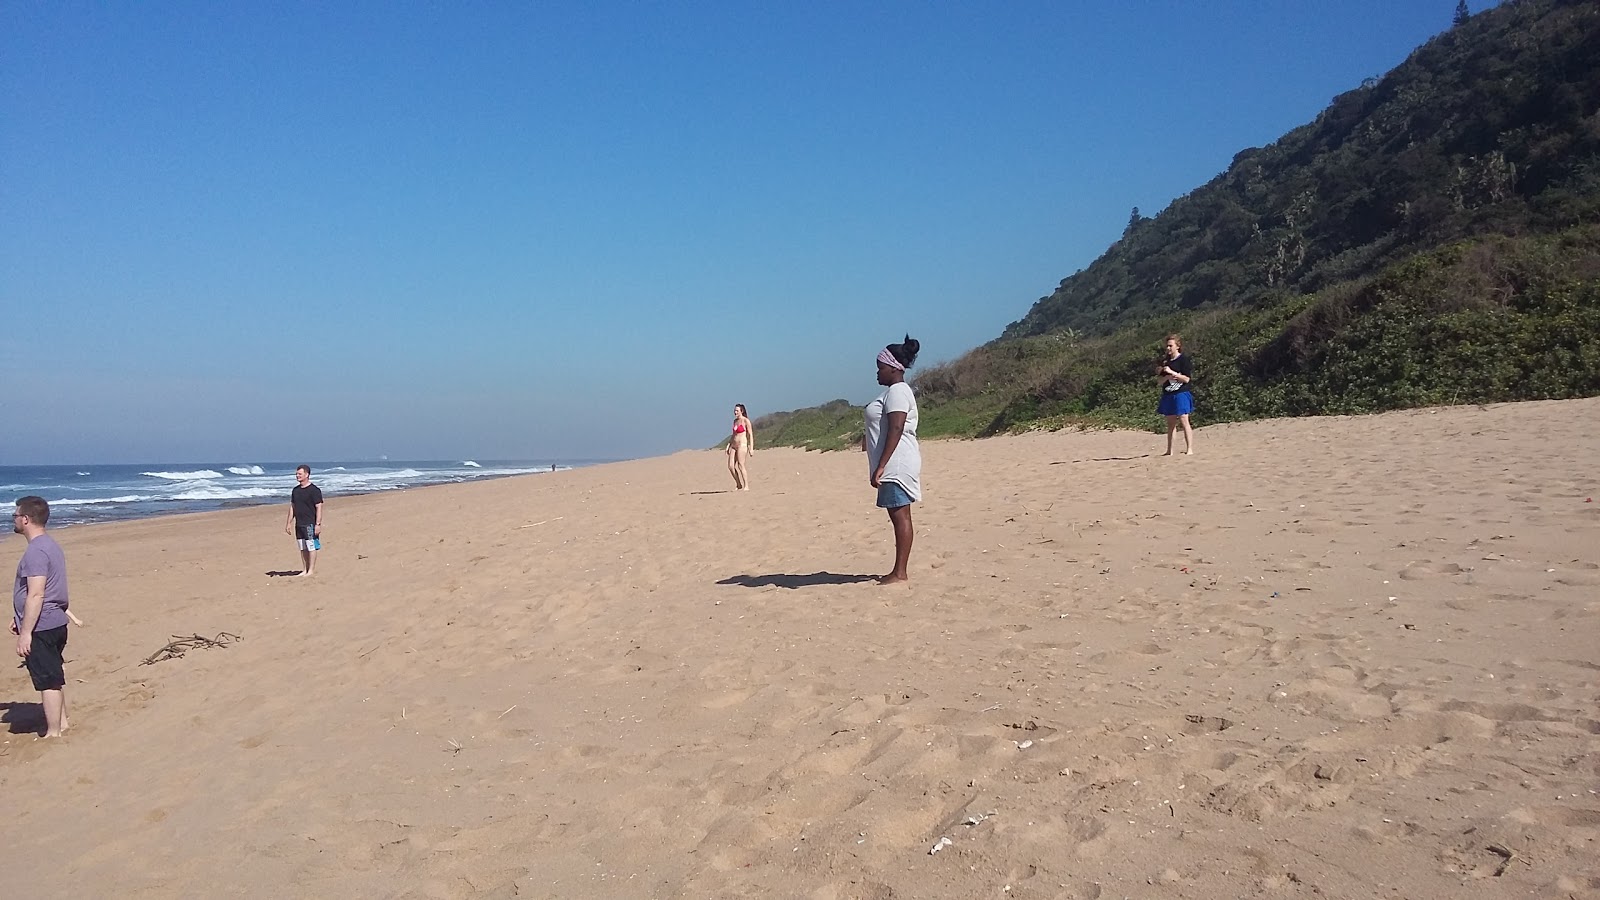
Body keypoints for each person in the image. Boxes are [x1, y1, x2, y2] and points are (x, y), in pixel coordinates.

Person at [863, 335, 921, 584]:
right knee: (899, 515)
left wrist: (882, 465)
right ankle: (899, 570)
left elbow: (896, 428)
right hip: (894, 462)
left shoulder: (897, 392)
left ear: (893, 368)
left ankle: (900, 572)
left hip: (896, 464)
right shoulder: (894, 392)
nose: (877, 373)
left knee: (900, 516)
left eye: (880, 368)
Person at [11, 496, 71, 739]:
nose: (13, 520)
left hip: (43, 626)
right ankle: (63, 723)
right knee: (53, 676)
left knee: (47, 680)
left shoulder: (36, 551)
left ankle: (54, 732)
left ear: (25, 519)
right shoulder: (50, 545)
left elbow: (36, 594)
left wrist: (26, 632)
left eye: (15, 516)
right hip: (54, 621)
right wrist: (19, 619)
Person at [1158, 334, 1195, 455]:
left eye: (1170, 346)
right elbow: (1159, 381)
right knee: (1171, 423)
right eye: (1167, 346)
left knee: (1184, 419)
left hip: (1181, 393)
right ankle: (1170, 450)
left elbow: (1187, 379)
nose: (1168, 348)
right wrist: (1166, 376)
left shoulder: (1184, 360)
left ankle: (1189, 448)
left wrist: (1173, 373)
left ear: (1177, 346)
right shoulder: (1165, 362)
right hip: (1168, 394)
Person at [283, 465, 324, 576]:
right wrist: (288, 523)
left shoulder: (314, 490)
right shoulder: (295, 491)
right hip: (299, 523)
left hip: (310, 523)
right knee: (302, 547)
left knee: (311, 546)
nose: (297, 476)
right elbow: (292, 507)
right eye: (296, 474)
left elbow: (319, 507)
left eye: (300, 474)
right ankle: (305, 569)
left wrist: (318, 524)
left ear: (307, 475)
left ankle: (311, 570)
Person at [726, 403, 754, 491]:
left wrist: (751, 448)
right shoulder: (735, 421)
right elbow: (733, 434)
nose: (735, 412)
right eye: (734, 410)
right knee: (730, 466)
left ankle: (746, 485)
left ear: (741, 411)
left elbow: (750, 435)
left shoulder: (746, 421)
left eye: (737, 410)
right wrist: (728, 445)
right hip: (734, 445)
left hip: (742, 445)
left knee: (741, 465)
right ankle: (738, 483)